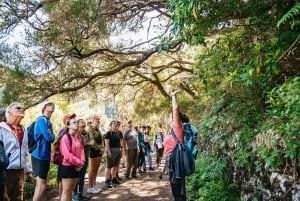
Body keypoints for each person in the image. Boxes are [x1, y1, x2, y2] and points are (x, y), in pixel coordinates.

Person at [0, 102, 33, 201]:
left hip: (20, 172)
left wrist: (28, 170)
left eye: (23, 109)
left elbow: (25, 151)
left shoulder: (23, 129)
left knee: (18, 198)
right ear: (9, 112)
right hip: (5, 172)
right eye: (18, 108)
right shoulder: (1, 128)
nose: (22, 110)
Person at [163, 91, 187, 201]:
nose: (168, 118)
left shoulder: (177, 127)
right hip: (173, 161)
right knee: (177, 188)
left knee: (177, 189)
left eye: (170, 116)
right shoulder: (173, 130)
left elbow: (175, 109)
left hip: (176, 161)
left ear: (174, 118)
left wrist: (173, 96)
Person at [32, 102, 56, 201]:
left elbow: (52, 137)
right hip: (39, 156)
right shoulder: (41, 120)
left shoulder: (48, 122)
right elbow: (49, 138)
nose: (51, 108)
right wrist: (51, 135)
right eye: (49, 106)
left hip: (44, 155)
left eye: (53, 107)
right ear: (44, 108)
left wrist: (51, 134)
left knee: (41, 185)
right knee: (41, 185)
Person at [59, 118, 85, 201]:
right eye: (74, 122)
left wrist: (82, 162)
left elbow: (82, 150)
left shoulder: (77, 137)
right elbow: (67, 155)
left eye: (77, 122)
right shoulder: (65, 137)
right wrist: (79, 163)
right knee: (66, 191)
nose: (76, 124)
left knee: (71, 191)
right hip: (67, 167)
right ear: (68, 126)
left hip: (76, 167)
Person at [57, 113, 77, 201]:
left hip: (73, 162)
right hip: (64, 162)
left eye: (73, 118)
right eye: (70, 118)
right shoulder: (63, 132)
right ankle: (61, 198)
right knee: (64, 186)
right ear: (66, 121)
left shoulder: (75, 133)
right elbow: (66, 152)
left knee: (69, 189)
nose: (73, 119)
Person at [73, 119, 93, 201]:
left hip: (86, 156)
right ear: (78, 124)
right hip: (78, 158)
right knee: (76, 177)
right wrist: (87, 143)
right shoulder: (76, 133)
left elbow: (92, 143)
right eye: (82, 122)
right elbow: (81, 144)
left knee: (82, 177)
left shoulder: (87, 133)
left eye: (84, 122)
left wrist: (87, 143)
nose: (84, 123)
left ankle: (80, 194)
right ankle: (74, 194)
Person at [103, 120, 122, 187]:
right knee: (109, 166)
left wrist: (121, 150)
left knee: (116, 166)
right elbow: (106, 143)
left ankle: (114, 178)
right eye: (113, 124)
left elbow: (120, 142)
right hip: (111, 151)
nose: (115, 125)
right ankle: (107, 181)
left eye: (116, 124)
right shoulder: (108, 133)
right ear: (111, 125)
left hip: (118, 151)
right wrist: (109, 151)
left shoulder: (118, 133)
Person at [87, 116, 103, 194]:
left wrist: (102, 148)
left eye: (98, 119)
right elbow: (92, 141)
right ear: (93, 121)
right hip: (93, 151)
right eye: (96, 119)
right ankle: (90, 187)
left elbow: (102, 140)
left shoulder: (98, 129)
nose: (97, 120)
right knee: (92, 169)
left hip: (99, 151)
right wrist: (100, 148)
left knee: (96, 169)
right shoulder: (90, 129)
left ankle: (94, 184)